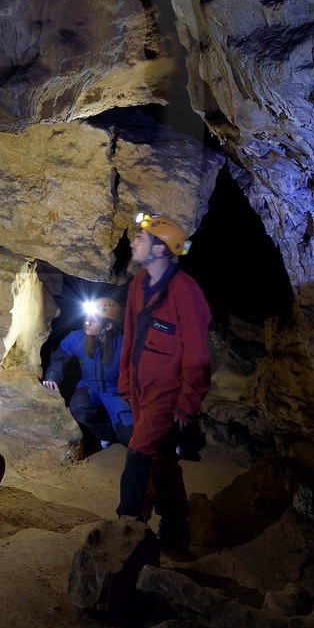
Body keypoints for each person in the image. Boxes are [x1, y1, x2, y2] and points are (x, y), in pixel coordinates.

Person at [116, 211, 212, 555]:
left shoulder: (186, 293)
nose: (134, 242)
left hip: (166, 394)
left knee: (139, 452)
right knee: (161, 461)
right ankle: (175, 534)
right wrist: (125, 381)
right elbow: (130, 336)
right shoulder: (138, 285)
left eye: (141, 238)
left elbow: (197, 355)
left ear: (159, 249)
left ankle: (127, 528)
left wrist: (188, 403)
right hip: (141, 389)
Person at [41, 297, 132, 452]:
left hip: (115, 390)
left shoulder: (124, 345)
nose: (87, 322)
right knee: (79, 408)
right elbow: (59, 358)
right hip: (89, 386)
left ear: (108, 326)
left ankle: (165, 442)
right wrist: (52, 376)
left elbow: (140, 373)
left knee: (129, 436)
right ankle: (105, 435)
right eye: (87, 317)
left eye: (94, 320)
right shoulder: (77, 338)